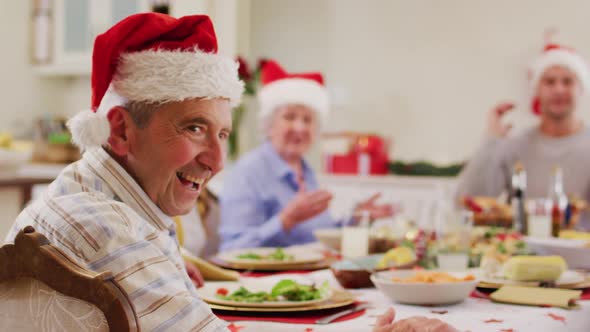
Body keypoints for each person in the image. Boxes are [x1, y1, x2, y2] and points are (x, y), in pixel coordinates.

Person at [4, 13, 243, 330]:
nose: (217, 160)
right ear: (120, 131)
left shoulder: (80, 185)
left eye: (222, 134)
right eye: (195, 128)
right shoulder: (109, 230)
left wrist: (159, 264)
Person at [219, 60, 393, 250]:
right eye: (289, 117)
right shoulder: (247, 172)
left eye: (307, 120)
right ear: (268, 125)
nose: (300, 128)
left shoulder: (306, 171)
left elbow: (314, 235)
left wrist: (355, 218)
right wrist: (286, 220)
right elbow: (233, 248)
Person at [456, 43, 590, 230]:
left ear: (581, 89)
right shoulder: (515, 145)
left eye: (567, 81)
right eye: (550, 82)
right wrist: (491, 141)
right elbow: (469, 200)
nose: (559, 89)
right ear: (537, 90)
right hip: (521, 253)